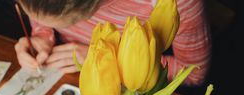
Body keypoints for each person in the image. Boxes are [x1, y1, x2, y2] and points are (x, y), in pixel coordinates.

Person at [14, 0, 211, 85]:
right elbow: (44, 11)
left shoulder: (174, 4)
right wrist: (42, 35)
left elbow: (194, 73)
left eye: (71, 22)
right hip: (72, 79)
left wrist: (108, 60)